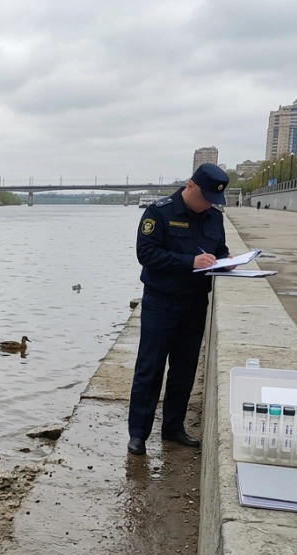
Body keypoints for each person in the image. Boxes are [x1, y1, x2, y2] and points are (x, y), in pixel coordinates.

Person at [127, 164, 231, 456]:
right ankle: (139, 434)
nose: (208, 204)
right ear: (190, 186)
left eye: (213, 200)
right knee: (150, 370)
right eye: (205, 197)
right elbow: (146, 253)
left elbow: (219, 250)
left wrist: (227, 260)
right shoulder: (159, 213)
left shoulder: (213, 217)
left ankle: (173, 428)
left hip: (196, 302)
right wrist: (189, 262)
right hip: (162, 303)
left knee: (184, 370)